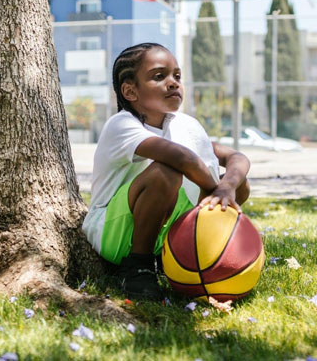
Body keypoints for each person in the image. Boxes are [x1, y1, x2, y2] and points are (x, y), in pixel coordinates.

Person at [82, 42, 250, 300]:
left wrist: (227, 187)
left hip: (163, 233)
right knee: (166, 173)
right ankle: (138, 266)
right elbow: (180, 158)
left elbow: (236, 157)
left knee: (240, 184)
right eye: (159, 76)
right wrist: (213, 190)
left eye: (177, 76)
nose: (173, 83)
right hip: (111, 232)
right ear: (130, 91)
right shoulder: (122, 124)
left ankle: (190, 257)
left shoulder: (186, 126)